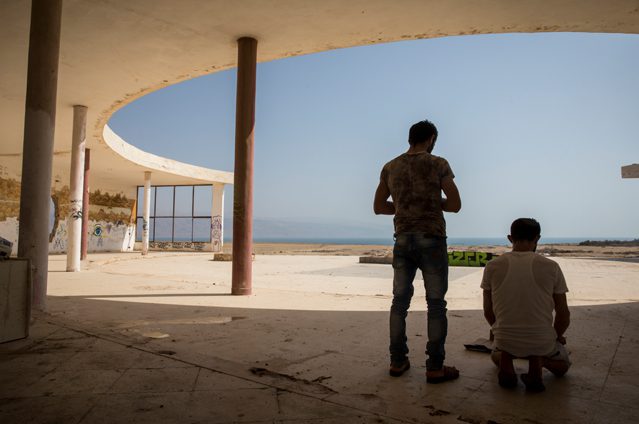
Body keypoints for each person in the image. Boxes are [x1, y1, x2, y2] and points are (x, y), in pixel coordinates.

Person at [374, 119, 462, 383]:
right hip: (432, 239)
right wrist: (432, 202)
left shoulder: (390, 167)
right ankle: (435, 367)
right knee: (436, 305)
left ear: (410, 138)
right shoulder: (438, 164)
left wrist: (403, 207)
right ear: (431, 138)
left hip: (402, 240)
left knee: (399, 303)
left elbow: (379, 206)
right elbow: (456, 204)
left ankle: (397, 362)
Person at [481, 218, 571, 392]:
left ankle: (506, 363)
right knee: (563, 365)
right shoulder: (551, 267)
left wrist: (497, 330)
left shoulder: (492, 266)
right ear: (537, 238)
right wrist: (557, 335)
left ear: (509, 238)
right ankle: (538, 362)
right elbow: (563, 314)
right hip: (541, 341)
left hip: (505, 338)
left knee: (497, 354)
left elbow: (488, 311)